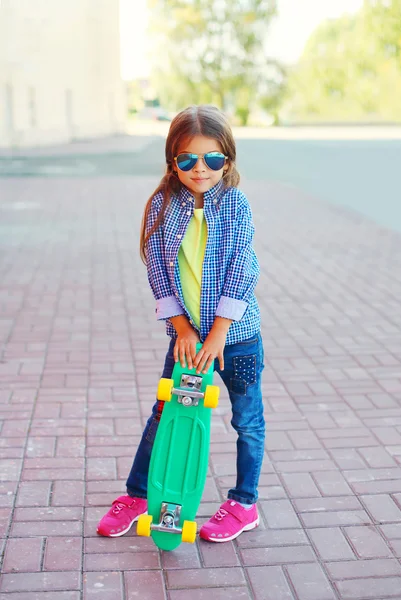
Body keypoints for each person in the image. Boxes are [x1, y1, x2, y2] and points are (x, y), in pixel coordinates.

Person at [97, 105, 265, 543]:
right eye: (188, 159)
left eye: (212, 159)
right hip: (188, 343)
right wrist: (185, 331)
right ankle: (137, 495)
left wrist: (219, 333)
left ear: (227, 159)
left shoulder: (235, 205)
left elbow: (242, 270)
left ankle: (244, 503)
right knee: (165, 414)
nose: (200, 169)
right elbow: (157, 271)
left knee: (246, 421)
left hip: (237, 339)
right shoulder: (162, 205)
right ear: (173, 160)